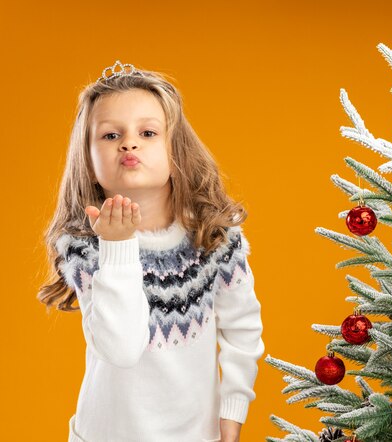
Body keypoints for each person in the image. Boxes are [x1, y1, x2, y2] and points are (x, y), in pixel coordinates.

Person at [36, 60, 265, 442]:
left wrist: (232, 410)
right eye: (110, 135)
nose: (129, 143)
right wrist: (118, 246)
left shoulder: (215, 239)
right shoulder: (85, 246)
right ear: (89, 163)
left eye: (147, 132)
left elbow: (242, 330)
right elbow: (122, 349)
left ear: (176, 151)